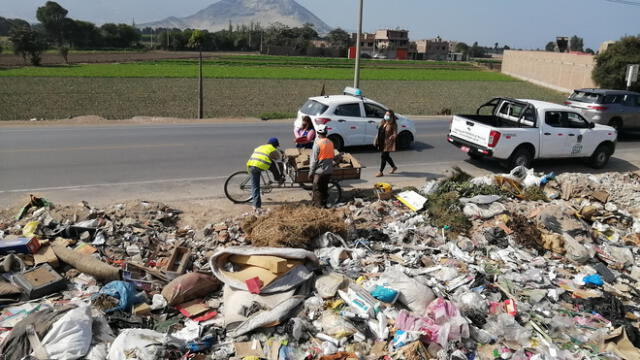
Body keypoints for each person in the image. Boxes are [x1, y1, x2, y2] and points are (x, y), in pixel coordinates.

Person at [246, 138, 282, 209]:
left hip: (251, 164)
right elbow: (279, 161)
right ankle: (278, 178)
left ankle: (256, 206)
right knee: (273, 165)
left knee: (255, 187)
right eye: (276, 146)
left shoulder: (260, 147)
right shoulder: (272, 149)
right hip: (261, 165)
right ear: (275, 145)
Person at [309, 125, 334, 207]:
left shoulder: (317, 144)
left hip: (320, 172)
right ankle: (324, 205)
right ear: (326, 133)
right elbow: (332, 156)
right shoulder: (330, 143)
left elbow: (314, 161)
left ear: (317, 133)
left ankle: (318, 207)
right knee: (324, 188)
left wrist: (311, 172)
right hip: (329, 171)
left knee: (316, 189)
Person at [374, 110, 398, 177]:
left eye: (388, 115)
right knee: (386, 156)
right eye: (386, 114)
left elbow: (395, 133)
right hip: (381, 141)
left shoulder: (393, 124)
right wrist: (376, 139)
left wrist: (393, 136)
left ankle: (380, 172)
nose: (386, 116)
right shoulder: (383, 122)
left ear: (391, 116)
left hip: (388, 143)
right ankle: (394, 167)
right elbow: (379, 131)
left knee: (383, 156)